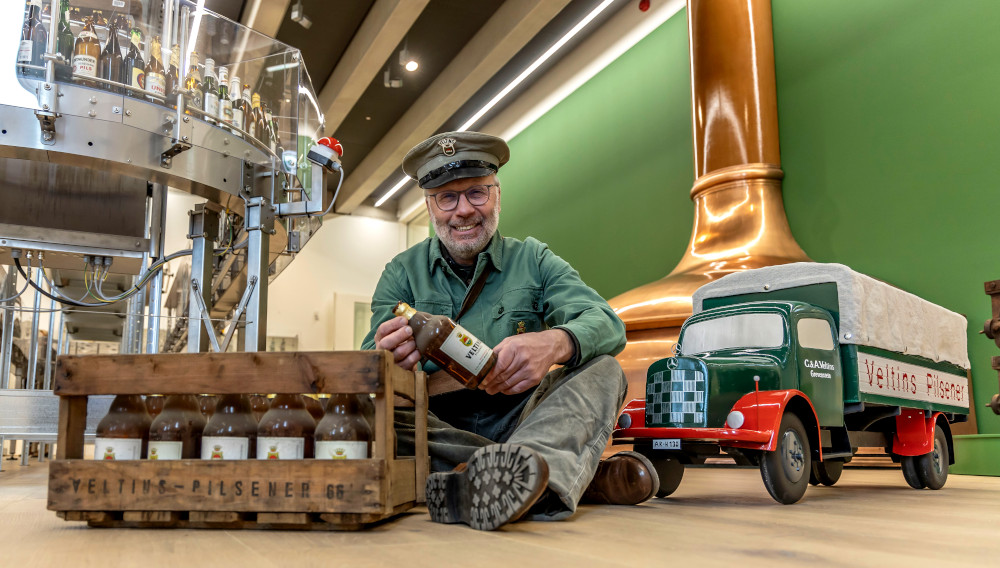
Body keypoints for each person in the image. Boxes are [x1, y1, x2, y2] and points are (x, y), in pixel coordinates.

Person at [361, 131, 658, 531]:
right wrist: (383, 357)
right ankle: (551, 473)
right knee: (367, 411)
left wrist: (555, 342)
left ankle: (484, 475)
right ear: (430, 205)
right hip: (434, 425)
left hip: (526, 416)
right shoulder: (400, 272)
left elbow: (607, 323)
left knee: (605, 369)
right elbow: (364, 368)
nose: (463, 210)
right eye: (447, 197)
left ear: (497, 194)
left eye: (476, 193)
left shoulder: (534, 258)